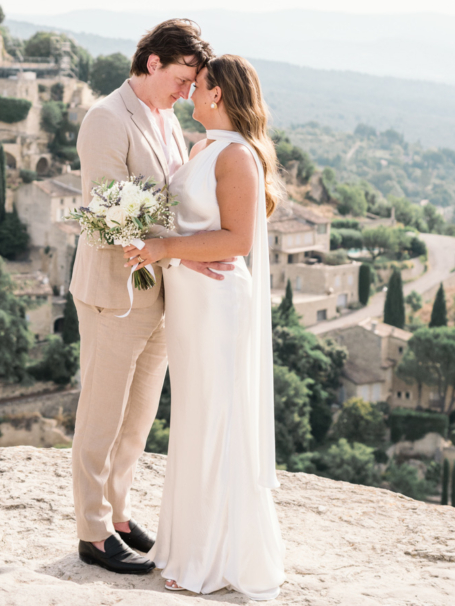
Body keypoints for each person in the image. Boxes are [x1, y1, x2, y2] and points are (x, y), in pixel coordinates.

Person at [70, 19, 231, 575]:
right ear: (153, 62)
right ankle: (91, 531)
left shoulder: (166, 121)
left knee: (138, 416)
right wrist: (186, 251)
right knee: (101, 415)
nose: (188, 92)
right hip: (113, 293)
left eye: (194, 83)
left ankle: (116, 514)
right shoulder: (105, 119)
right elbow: (109, 215)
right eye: (183, 78)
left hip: (162, 295)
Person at [124, 54, 286, 599]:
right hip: (190, 301)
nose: (190, 92)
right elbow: (194, 222)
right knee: (193, 414)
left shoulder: (237, 155)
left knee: (217, 415)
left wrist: (164, 249)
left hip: (217, 301)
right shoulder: (202, 148)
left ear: (217, 95)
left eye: (199, 86)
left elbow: (237, 240)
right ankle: (186, 544)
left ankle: (214, 558)